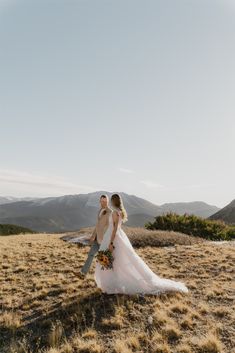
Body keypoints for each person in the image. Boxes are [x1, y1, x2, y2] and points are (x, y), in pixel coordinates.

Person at [94, 193, 189, 295]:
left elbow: (115, 229)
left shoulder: (114, 213)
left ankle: (110, 283)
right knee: (116, 261)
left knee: (109, 260)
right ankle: (113, 282)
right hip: (118, 236)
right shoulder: (120, 212)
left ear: (113, 201)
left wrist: (111, 242)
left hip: (113, 237)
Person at [77, 194, 113, 279]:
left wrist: (106, 238)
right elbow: (97, 225)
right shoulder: (100, 210)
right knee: (91, 254)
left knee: (103, 259)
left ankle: (109, 278)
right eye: (101, 201)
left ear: (108, 202)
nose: (103, 203)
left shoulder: (110, 212)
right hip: (97, 238)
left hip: (104, 239)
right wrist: (93, 236)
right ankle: (83, 274)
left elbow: (109, 226)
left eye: (105, 201)